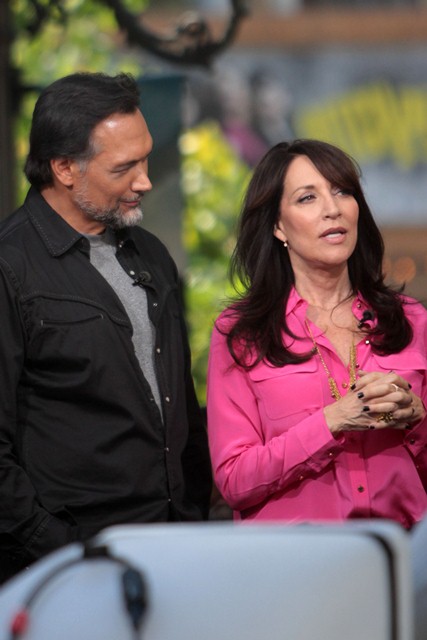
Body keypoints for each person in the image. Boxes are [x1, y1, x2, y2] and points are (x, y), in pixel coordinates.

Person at [0, 72, 212, 583]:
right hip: (67, 569)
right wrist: (61, 551)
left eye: (146, 159)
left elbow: (180, 407)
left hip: (173, 550)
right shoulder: (10, 266)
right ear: (64, 168)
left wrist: (195, 516)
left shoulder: (152, 255)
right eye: (124, 167)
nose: (145, 181)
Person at [207, 139, 427, 527]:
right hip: (297, 555)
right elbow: (235, 480)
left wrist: (417, 420)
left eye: (342, 191)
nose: (332, 208)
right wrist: (332, 422)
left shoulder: (411, 319)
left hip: (403, 548)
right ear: (278, 225)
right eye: (308, 197)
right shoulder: (241, 332)